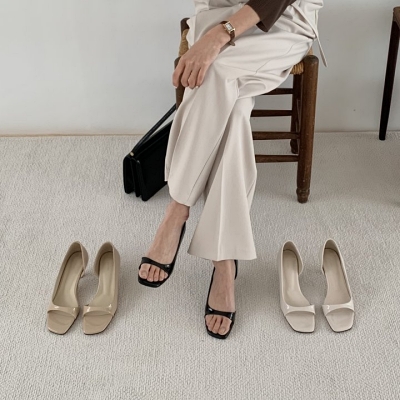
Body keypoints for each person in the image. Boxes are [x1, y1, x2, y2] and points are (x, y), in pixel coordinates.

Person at [138, 0, 325, 339]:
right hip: (216, 12)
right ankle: (224, 260)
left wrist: (221, 35)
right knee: (234, 108)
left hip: (281, 21)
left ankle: (177, 211)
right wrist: (217, 29)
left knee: (217, 71)